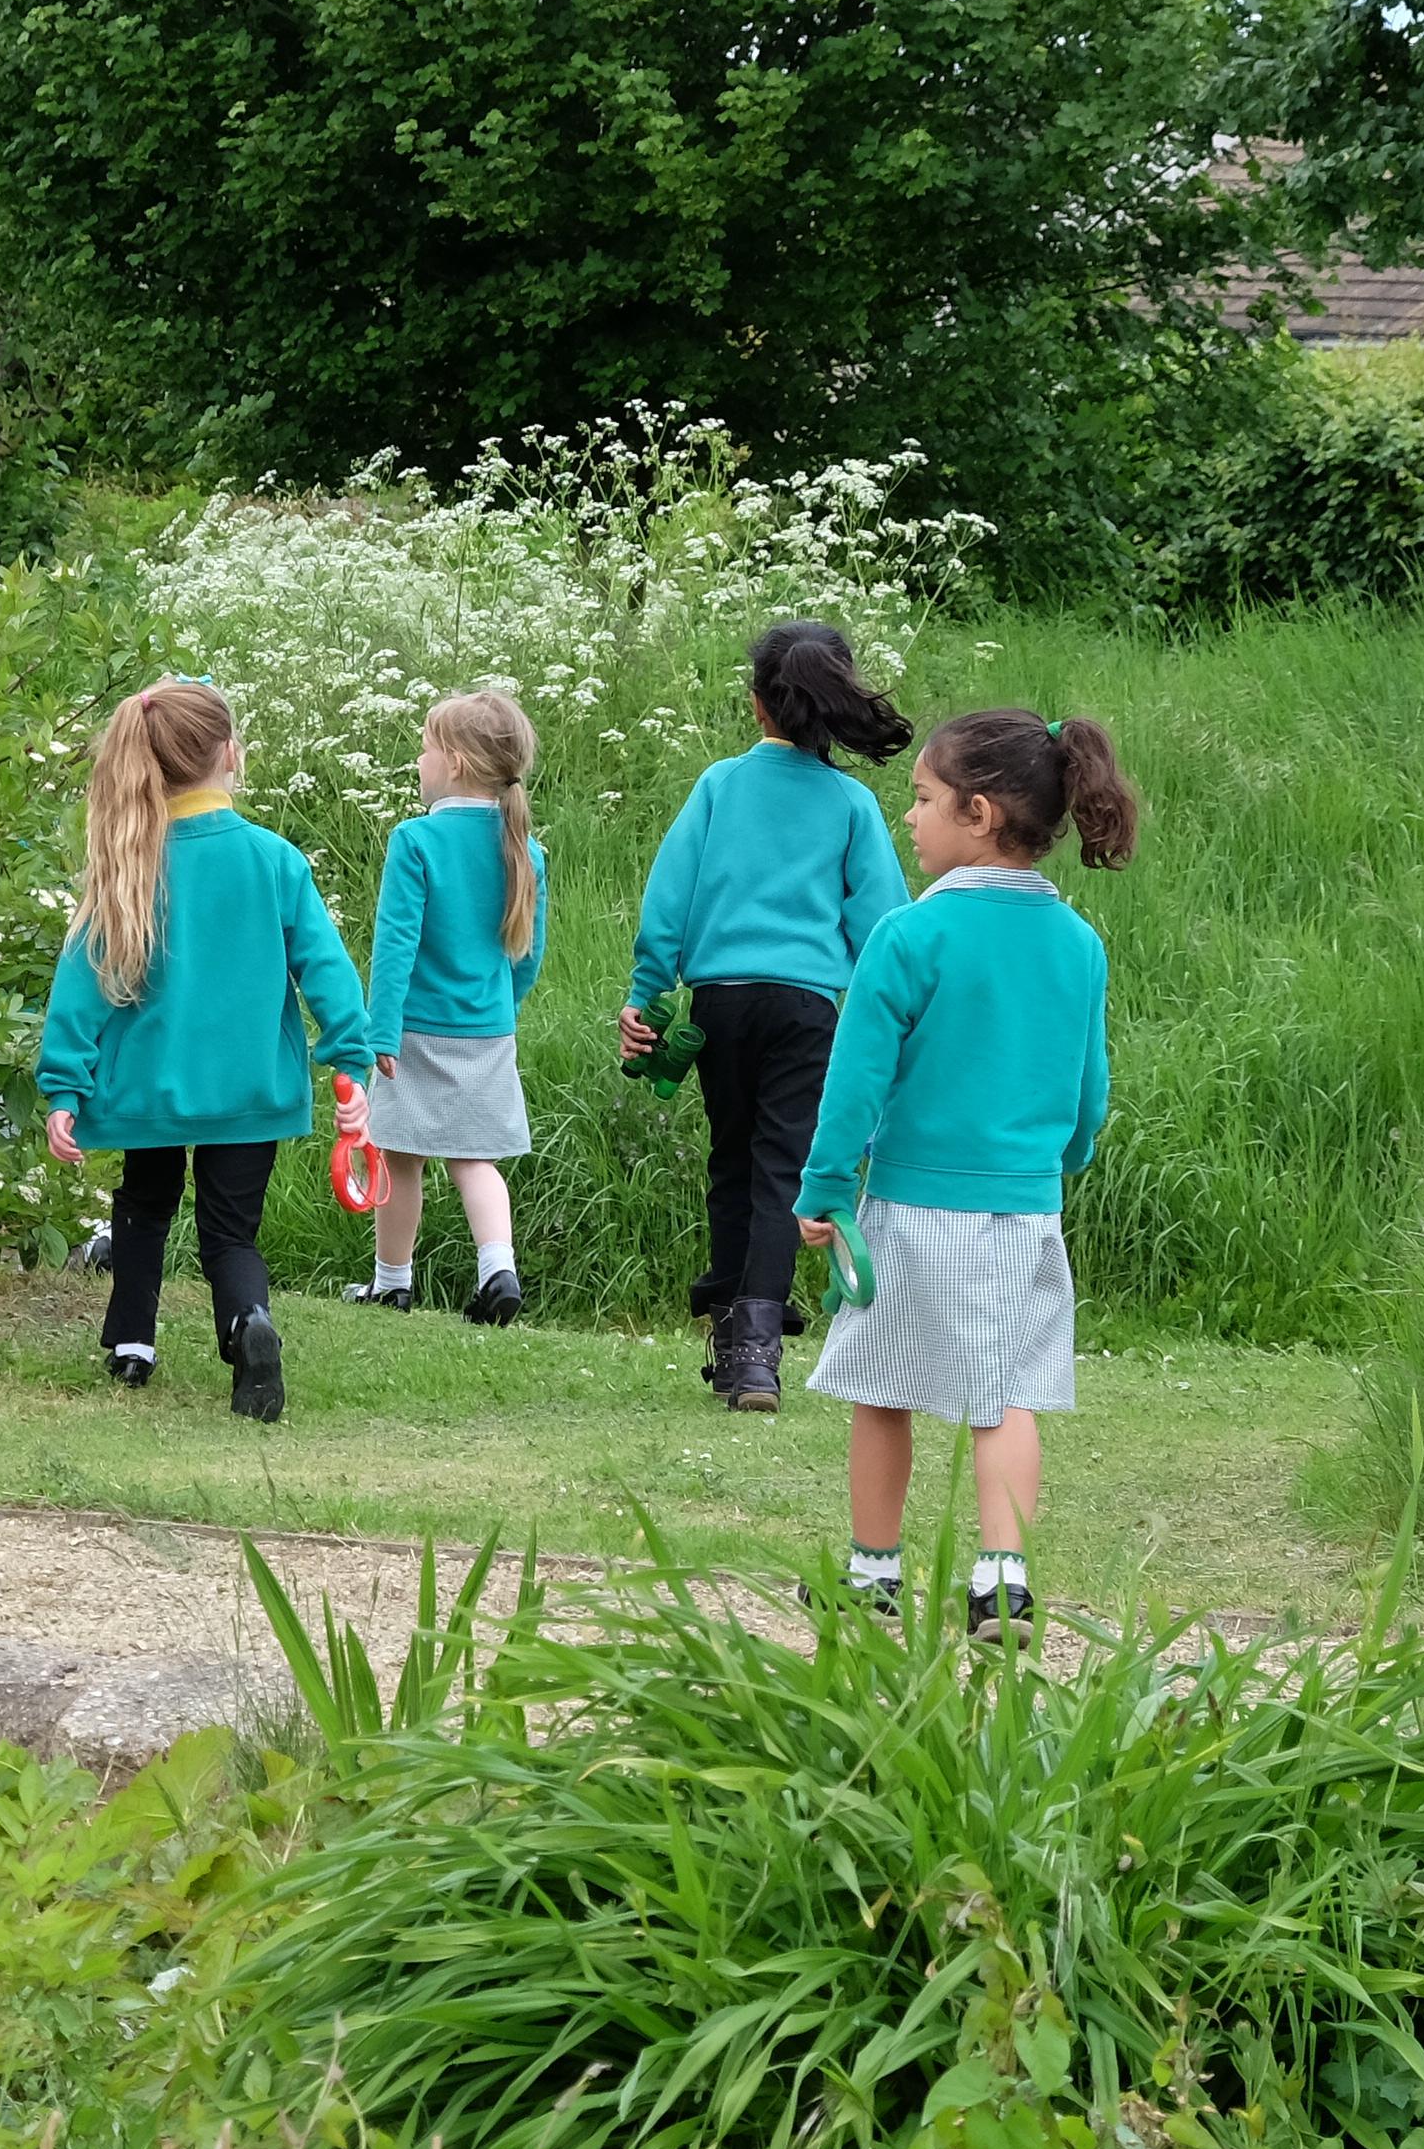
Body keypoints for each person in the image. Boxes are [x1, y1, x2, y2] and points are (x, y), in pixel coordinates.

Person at [792, 704, 1141, 1637]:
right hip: (1025, 1215)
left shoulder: (909, 936)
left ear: (978, 814)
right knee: (1008, 1397)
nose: (908, 817)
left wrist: (825, 1189)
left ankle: (874, 1575)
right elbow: (1088, 1091)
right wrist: (1062, 1161)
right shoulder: (1078, 944)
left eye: (922, 798)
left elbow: (854, 1085)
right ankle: (1003, 1582)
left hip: (914, 1208)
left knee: (882, 1390)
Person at [38, 682, 377, 1422]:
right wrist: (350, 1059)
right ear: (230, 754)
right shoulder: (275, 859)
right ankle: (248, 1322)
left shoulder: (129, 863)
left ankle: (132, 1344)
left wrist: (65, 1086)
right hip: (250, 1089)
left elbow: (80, 988)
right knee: (231, 1232)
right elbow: (327, 969)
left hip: (149, 1090)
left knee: (144, 1206)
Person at [618, 619, 916, 1409]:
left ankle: (729, 1330)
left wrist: (646, 993)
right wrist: (882, 1013)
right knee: (784, 1169)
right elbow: (885, 929)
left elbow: (668, 901)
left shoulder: (719, 786)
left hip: (719, 1005)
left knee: (732, 1161)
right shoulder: (851, 804)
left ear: (757, 704)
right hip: (806, 1010)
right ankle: (756, 1354)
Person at [345, 689, 549, 1324]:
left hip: (415, 1032)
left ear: (455, 762)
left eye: (426, 748)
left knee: (398, 1156)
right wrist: (502, 1007)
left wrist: (380, 1030)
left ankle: (392, 1283)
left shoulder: (416, 840)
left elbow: (395, 945)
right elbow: (529, 954)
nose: (419, 760)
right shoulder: (526, 848)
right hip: (488, 1032)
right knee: (474, 1158)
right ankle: (498, 1271)